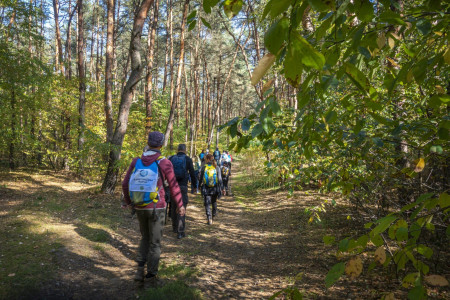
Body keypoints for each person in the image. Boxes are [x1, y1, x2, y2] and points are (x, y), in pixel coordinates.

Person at [122, 131, 185, 282]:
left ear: (148, 143)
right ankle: (151, 276)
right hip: (157, 207)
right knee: (155, 242)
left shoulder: (136, 160)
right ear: (161, 145)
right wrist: (180, 205)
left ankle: (139, 270)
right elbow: (174, 186)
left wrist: (129, 202)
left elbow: (125, 183)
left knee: (145, 238)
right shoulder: (164, 162)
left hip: (139, 206)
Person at [168, 144, 197, 239]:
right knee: (182, 206)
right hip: (183, 186)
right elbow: (192, 173)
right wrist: (194, 186)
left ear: (178, 149)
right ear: (185, 150)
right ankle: (180, 231)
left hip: (172, 186)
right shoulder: (188, 159)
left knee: (173, 206)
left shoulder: (171, 158)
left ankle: (174, 227)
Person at [199, 154, 224, 225]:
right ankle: (213, 214)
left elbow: (200, 178)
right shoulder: (217, 167)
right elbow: (219, 179)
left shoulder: (204, 167)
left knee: (207, 203)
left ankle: (209, 218)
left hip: (206, 188)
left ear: (207, 159)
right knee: (214, 202)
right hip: (215, 188)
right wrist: (222, 188)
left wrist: (199, 185)